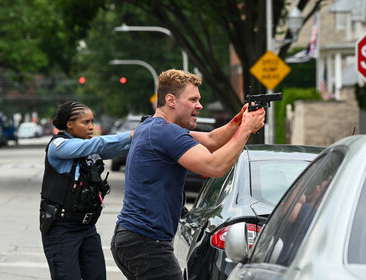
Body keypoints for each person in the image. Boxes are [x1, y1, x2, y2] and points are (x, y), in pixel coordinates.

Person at [110, 69, 266, 280]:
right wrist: (246, 130)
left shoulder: (153, 127)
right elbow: (215, 167)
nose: (199, 105)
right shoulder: (167, 132)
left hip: (131, 238)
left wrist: (238, 121)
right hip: (146, 242)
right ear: (171, 100)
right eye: (193, 99)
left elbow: (211, 140)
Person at [40, 101, 133, 280]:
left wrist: (146, 136)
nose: (91, 127)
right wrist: (131, 134)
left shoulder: (87, 145)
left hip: (86, 227)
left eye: (92, 122)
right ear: (69, 124)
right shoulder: (59, 146)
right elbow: (99, 144)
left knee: (97, 276)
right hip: (61, 229)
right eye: (86, 122)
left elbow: (115, 148)